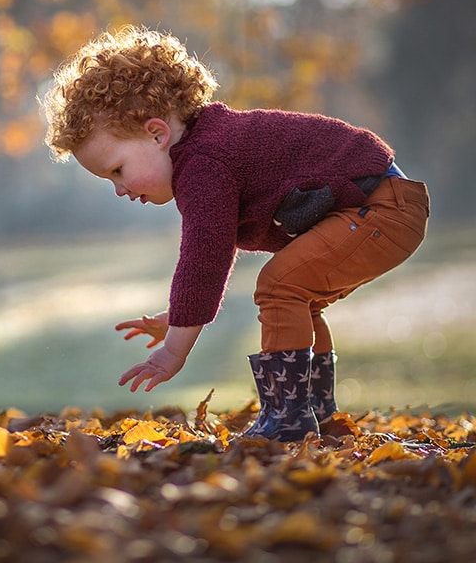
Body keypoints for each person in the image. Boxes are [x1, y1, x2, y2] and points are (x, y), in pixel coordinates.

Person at [40, 24, 430, 441]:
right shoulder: (211, 150)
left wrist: (174, 348)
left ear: (157, 133)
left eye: (117, 170)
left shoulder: (205, 161)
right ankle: (315, 415)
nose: (119, 188)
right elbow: (211, 257)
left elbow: (203, 257)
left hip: (381, 208)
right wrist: (180, 317)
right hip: (387, 205)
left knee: (280, 287)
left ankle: (288, 419)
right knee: (298, 299)